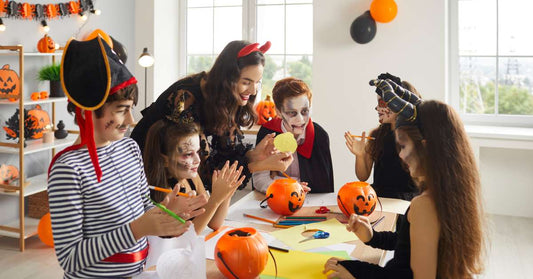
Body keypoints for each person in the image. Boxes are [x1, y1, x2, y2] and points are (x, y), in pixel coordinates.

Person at [47, 37, 207, 278]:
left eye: (131, 108)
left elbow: (143, 208)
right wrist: (136, 230)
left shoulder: (130, 149)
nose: (131, 121)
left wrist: (165, 211)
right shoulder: (68, 169)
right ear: (88, 110)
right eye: (122, 110)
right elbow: (70, 258)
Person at [324, 79, 485, 279]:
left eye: (404, 146)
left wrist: (355, 272)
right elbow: (408, 243)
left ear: (424, 147)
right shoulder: (452, 195)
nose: (400, 155)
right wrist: (372, 236)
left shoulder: (424, 206)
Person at [131, 40, 293, 190]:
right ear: (227, 78)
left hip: (181, 175)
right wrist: (260, 165)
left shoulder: (229, 98)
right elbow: (200, 169)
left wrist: (255, 155)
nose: (253, 91)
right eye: (246, 82)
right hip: (147, 172)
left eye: (258, 82)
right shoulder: (185, 98)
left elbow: (227, 157)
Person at [144, 119, 244, 233]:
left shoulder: (192, 178)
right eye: (188, 154)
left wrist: (226, 194)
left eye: (197, 152)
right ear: (164, 160)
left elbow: (214, 223)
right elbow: (189, 234)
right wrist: (215, 199)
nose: (197, 160)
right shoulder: (166, 192)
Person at [344, 73, 420, 201]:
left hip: (406, 200)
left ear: (399, 104)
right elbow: (363, 176)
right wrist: (360, 155)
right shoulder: (376, 136)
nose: (377, 108)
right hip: (380, 199)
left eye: (382, 103)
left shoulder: (415, 137)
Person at [252, 77, 334, 193]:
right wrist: (291, 186)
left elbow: (322, 184)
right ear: (279, 112)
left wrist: (275, 178)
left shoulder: (319, 136)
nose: (300, 119)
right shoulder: (268, 133)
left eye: (304, 111)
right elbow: (260, 179)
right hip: (275, 199)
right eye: (292, 113)